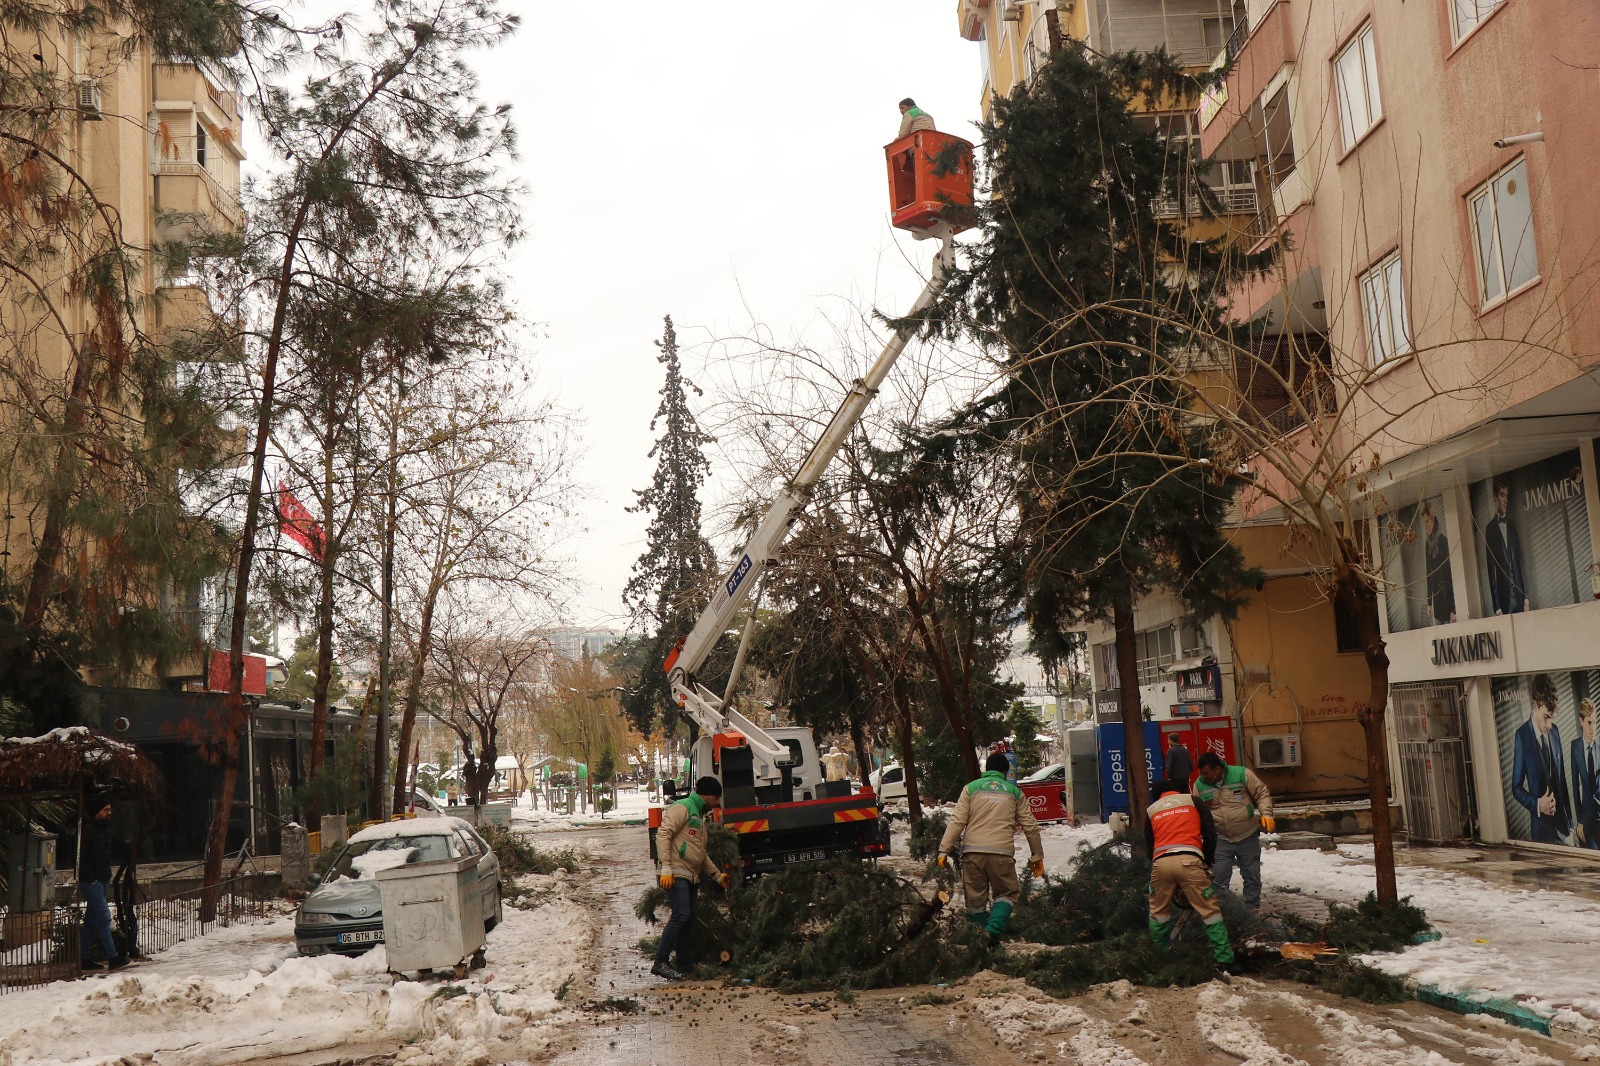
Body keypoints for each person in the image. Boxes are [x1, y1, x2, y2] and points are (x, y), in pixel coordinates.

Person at [936, 752, 1044, 938]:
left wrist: (943, 850)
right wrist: (1037, 856)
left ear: (987, 770)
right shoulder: (1014, 793)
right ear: (1006, 771)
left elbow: (957, 821)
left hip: (973, 854)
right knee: (1007, 894)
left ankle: (979, 941)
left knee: (976, 901)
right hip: (1001, 854)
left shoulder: (971, 789)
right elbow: (1031, 827)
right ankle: (991, 934)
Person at [1144, 777, 1239, 975]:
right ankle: (1225, 962)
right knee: (1210, 912)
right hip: (1189, 860)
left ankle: (1159, 959)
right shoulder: (1192, 801)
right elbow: (1210, 834)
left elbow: (1148, 846)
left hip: (1160, 863)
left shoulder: (1151, 810)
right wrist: (1207, 861)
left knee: (1158, 913)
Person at [652, 776, 730, 981]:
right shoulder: (683, 807)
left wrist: (717, 876)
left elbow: (700, 854)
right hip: (676, 872)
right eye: (715, 797)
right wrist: (666, 868)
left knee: (688, 918)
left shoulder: (700, 817)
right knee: (681, 915)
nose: (717, 802)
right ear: (705, 795)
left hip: (690, 874)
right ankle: (660, 962)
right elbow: (663, 835)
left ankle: (685, 964)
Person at [1192, 752, 1275, 910]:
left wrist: (1267, 814)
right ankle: (1223, 913)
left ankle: (1251, 912)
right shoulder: (1199, 785)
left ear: (1218, 769)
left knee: (1252, 876)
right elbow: (1196, 811)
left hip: (1247, 834)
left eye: (1206, 773)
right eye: (1201, 773)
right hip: (1221, 838)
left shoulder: (1242, 774)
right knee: (1218, 879)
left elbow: (1262, 793)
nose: (1203, 777)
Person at [1511, 673, 1571, 844]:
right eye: (1546, 717)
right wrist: (1538, 804)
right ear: (1536, 705)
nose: (1549, 724)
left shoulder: (1555, 731)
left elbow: (1562, 781)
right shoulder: (1522, 736)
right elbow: (1516, 788)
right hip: (1542, 833)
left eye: (1552, 717)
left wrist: (1571, 824)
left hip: (1564, 830)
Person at [79, 795, 128, 971]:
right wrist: (90, 878)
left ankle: (84, 957)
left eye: (110, 809)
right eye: (105, 810)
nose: (109, 812)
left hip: (102, 878)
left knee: (91, 921)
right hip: (91, 881)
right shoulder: (88, 831)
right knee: (104, 917)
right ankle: (113, 956)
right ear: (96, 812)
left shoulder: (105, 830)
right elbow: (81, 858)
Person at [1484, 477, 1528, 615]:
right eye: (1502, 495)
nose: (1505, 500)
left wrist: (1526, 599)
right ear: (1495, 498)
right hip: (1504, 601)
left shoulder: (1513, 525)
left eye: (1507, 496)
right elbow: (1491, 571)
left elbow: (1520, 562)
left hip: (1520, 598)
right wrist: (1497, 607)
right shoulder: (1490, 529)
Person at [1571, 697, 1599, 849]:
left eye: (1595, 722)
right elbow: (1576, 788)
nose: (1593, 727)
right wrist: (1579, 821)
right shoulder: (1575, 748)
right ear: (1581, 721)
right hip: (1586, 821)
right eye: (1589, 722)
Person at [1422, 503, 1456, 624]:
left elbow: (1449, 574)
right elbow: (1428, 574)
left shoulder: (1443, 541)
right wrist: (1429, 603)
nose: (1425, 525)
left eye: (1427, 522)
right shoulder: (1427, 544)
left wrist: (1453, 608)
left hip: (1447, 599)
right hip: (1436, 600)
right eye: (1424, 522)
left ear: (1433, 520)